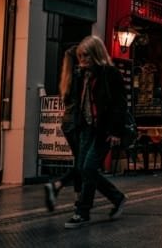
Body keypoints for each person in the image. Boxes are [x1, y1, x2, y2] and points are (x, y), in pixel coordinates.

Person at [64, 35, 127, 229]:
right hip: (85, 128)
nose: (83, 61)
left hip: (103, 130)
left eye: (87, 56)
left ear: (96, 55)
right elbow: (75, 100)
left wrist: (115, 131)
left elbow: (119, 104)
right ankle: (116, 198)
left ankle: (82, 211)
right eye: (81, 56)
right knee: (84, 169)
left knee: (89, 168)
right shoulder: (81, 75)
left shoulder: (110, 75)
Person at [44, 45, 82, 212]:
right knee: (82, 162)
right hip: (77, 122)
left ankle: (78, 196)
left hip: (67, 122)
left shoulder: (66, 78)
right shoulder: (78, 76)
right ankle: (58, 186)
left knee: (79, 160)